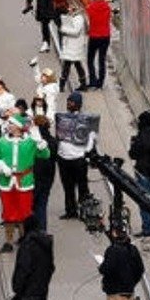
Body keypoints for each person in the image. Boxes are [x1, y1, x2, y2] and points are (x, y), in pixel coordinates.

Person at [0, 113, 40, 251]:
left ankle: (25, 239)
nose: (9, 126)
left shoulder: (30, 141)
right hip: (6, 182)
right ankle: (9, 241)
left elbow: (45, 154)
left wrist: (40, 143)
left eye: (11, 124)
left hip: (24, 181)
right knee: (8, 212)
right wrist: (2, 166)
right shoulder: (2, 141)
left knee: (25, 212)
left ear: (18, 127)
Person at [56, 92, 96, 220]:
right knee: (67, 186)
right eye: (68, 101)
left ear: (78, 104)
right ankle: (70, 210)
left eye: (71, 102)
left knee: (82, 186)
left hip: (78, 159)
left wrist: (85, 152)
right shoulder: (62, 118)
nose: (68, 104)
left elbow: (91, 138)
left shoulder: (85, 120)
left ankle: (85, 211)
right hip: (63, 158)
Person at [11, 214, 56, 300]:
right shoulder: (46, 243)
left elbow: (23, 269)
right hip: (42, 291)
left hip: (28, 293)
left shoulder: (27, 245)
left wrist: (17, 287)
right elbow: (51, 267)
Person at [99, 223, 147, 300]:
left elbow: (106, 269)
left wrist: (101, 267)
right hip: (130, 296)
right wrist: (131, 282)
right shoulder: (133, 249)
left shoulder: (112, 250)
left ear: (114, 233)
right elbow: (140, 269)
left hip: (116, 297)